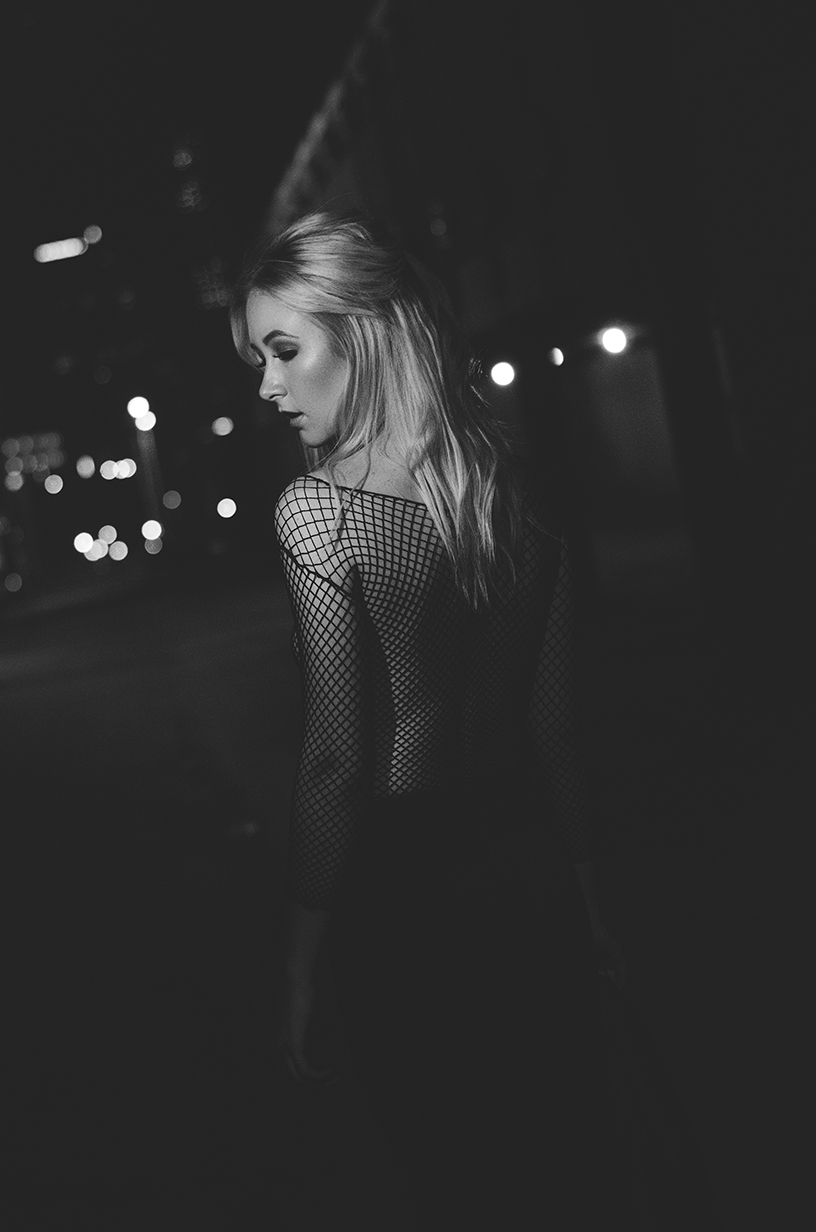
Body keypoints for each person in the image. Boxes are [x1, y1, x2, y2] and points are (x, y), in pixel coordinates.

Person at [229, 210, 625, 1088]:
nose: (268, 386)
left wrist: (297, 969)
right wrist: (591, 905)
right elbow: (556, 727)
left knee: (452, 1139)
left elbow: (337, 759)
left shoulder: (320, 513)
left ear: (364, 337)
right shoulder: (519, 493)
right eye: (259, 360)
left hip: (408, 888)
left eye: (284, 351)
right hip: (531, 867)